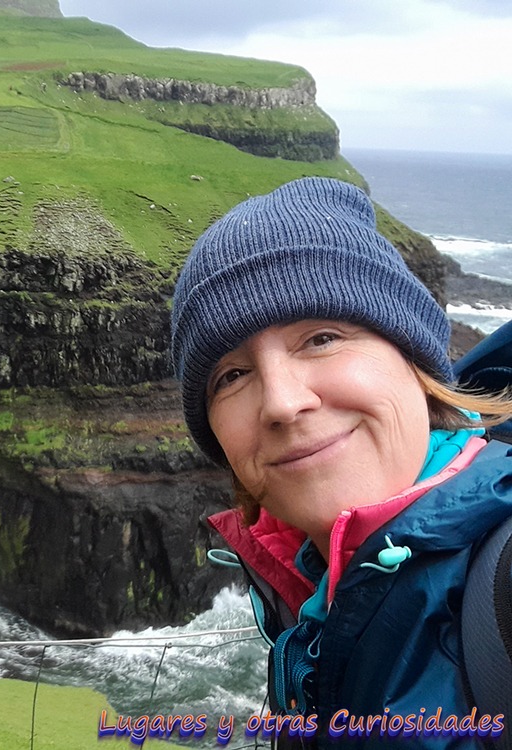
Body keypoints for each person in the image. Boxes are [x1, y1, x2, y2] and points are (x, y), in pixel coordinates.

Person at [169, 176, 512, 747]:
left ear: (414, 361)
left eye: (322, 338)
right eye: (232, 376)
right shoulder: (306, 592)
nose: (281, 401)